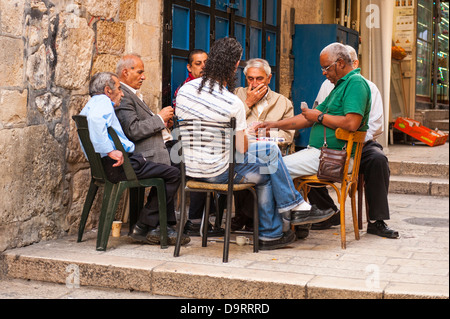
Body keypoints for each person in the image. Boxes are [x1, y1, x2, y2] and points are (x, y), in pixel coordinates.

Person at [175, 37, 334, 250]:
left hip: (191, 167)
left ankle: (294, 206)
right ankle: (275, 229)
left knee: (269, 152)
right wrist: (248, 136)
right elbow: (241, 148)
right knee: (268, 167)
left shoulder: (185, 91)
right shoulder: (232, 101)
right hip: (217, 170)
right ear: (233, 67)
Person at [256, 42, 371, 238]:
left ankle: (281, 226)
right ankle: (294, 219)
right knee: (271, 166)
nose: (324, 73)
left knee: (271, 168)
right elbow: (308, 118)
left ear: (340, 63)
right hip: (322, 154)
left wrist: (319, 117)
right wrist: (274, 124)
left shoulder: (355, 84)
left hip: (334, 157)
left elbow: (352, 123)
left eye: (326, 68)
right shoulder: (339, 86)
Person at [79, 72, 188, 246]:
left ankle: (151, 225)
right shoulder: (103, 102)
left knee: (168, 167)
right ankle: (144, 224)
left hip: (106, 166)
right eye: (120, 89)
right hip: (119, 166)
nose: (122, 93)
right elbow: (96, 120)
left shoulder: (91, 104)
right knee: (174, 173)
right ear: (108, 90)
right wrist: (109, 150)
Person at [307, 45, 399, 238]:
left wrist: (351, 139)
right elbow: (316, 112)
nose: (327, 72)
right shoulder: (326, 85)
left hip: (362, 143)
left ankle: (376, 221)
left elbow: (376, 125)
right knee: (310, 157)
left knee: (378, 160)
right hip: (331, 142)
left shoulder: (367, 86)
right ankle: (328, 211)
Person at [114, 55, 190, 244]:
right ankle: (153, 224)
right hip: (144, 155)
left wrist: (163, 123)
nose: (144, 77)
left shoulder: (131, 94)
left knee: (181, 162)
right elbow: (133, 130)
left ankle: (160, 225)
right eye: (139, 72)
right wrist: (158, 118)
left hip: (156, 148)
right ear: (126, 72)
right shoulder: (123, 95)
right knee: (176, 170)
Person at [232, 58, 295, 232]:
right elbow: (228, 123)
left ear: (269, 78)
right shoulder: (237, 95)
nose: (254, 83)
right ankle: (254, 218)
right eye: (250, 79)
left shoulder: (283, 102)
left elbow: (288, 135)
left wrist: (269, 133)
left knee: (264, 165)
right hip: (242, 151)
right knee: (245, 163)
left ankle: (249, 217)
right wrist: (248, 103)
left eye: (259, 79)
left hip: (270, 152)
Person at [171, 49, 223, 237]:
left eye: (205, 63)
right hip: (188, 147)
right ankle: (195, 222)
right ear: (189, 67)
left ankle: (212, 218)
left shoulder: (213, 88)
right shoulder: (185, 90)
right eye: (198, 64)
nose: (203, 67)